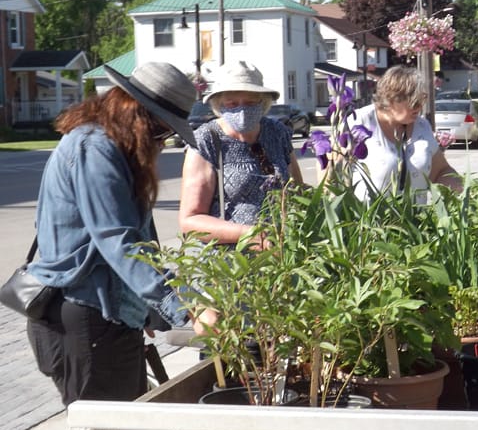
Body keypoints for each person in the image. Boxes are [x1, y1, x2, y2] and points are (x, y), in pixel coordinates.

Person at [25, 62, 202, 405]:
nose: (162, 141)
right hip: (88, 314)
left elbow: (136, 237)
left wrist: (148, 307)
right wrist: (183, 307)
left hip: (109, 314)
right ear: (137, 112)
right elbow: (118, 239)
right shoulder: (94, 148)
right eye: (160, 131)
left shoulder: (115, 150)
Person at [179, 60, 304, 245]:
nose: (242, 110)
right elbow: (191, 220)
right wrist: (251, 235)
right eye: (232, 104)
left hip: (283, 256)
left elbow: (298, 192)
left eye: (250, 102)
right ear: (219, 104)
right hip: (232, 262)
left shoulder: (277, 132)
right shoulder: (206, 140)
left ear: (263, 103)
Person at [349, 65, 462, 197]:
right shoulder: (358, 122)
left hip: (416, 216)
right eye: (413, 102)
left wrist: (464, 191)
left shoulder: (422, 126)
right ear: (390, 98)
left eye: (422, 99)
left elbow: (441, 171)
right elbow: (334, 173)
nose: (419, 107)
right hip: (368, 216)